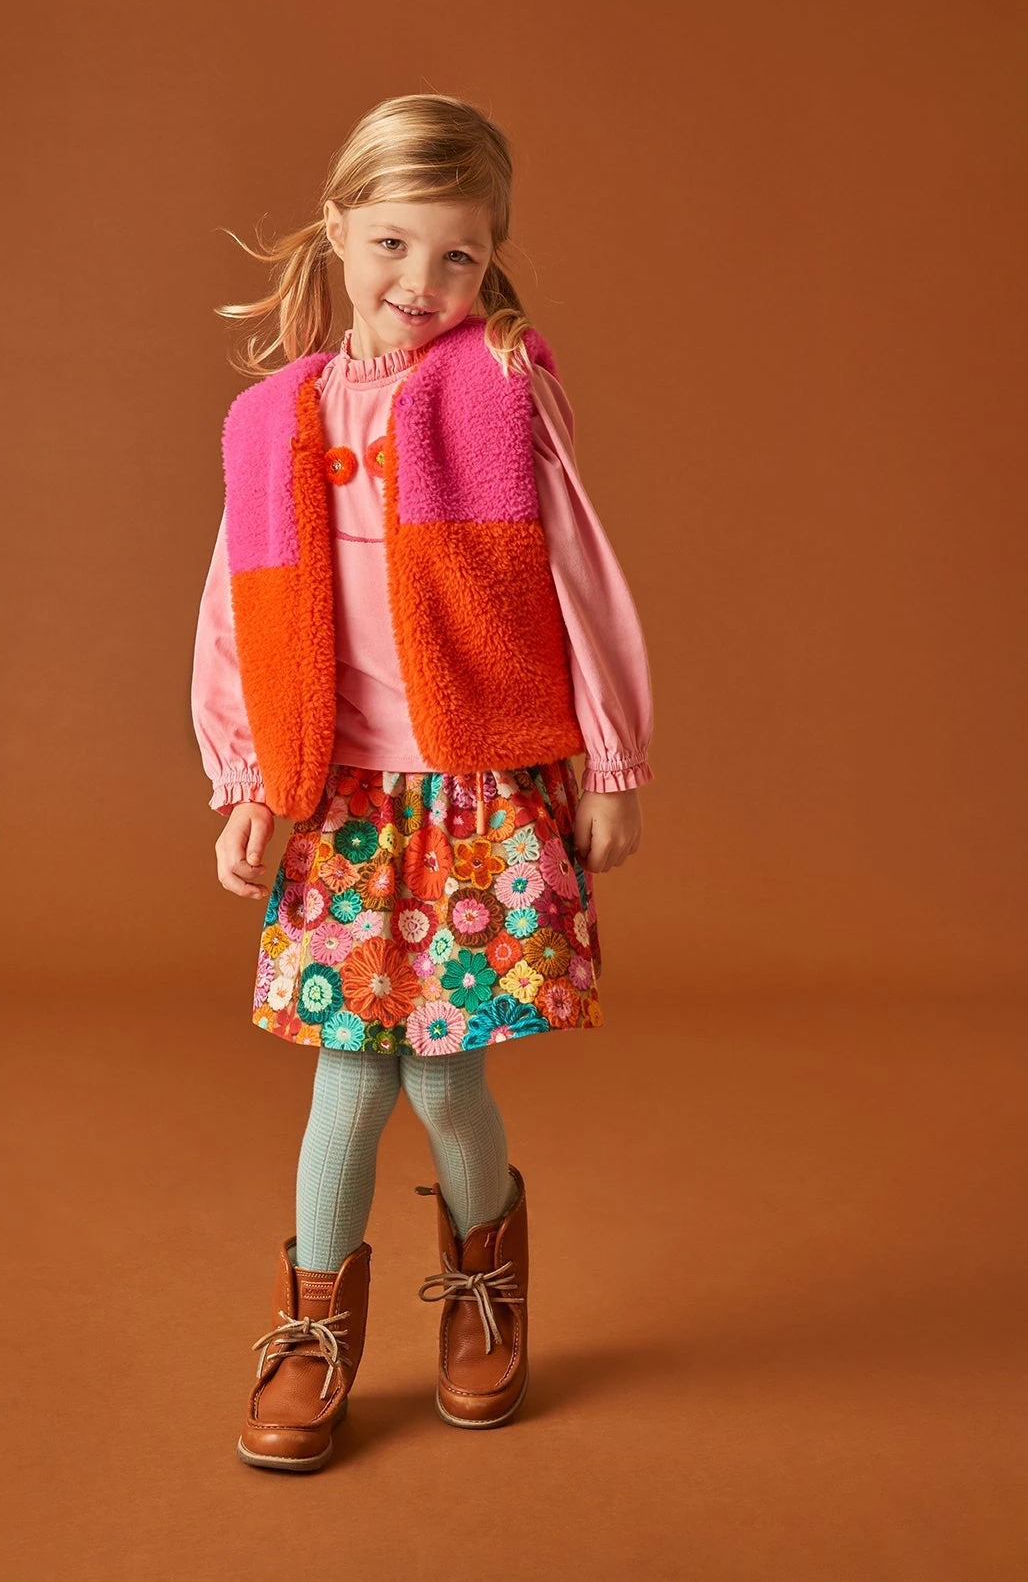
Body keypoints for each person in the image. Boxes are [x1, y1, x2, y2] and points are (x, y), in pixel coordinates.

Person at [191, 93, 655, 1473]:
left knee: (446, 1084)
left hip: (474, 797)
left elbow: (580, 576)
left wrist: (610, 758)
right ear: (338, 230)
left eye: (460, 254)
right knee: (348, 1079)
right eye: (394, 243)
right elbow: (236, 608)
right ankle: (312, 1333)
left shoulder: (500, 388)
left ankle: (485, 1284)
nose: (422, 279)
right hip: (342, 807)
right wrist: (246, 774)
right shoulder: (271, 420)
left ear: (492, 259)